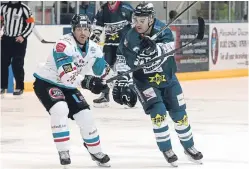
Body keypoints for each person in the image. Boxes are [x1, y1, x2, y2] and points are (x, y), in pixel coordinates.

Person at [113, 3, 203, 167]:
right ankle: (166, 149)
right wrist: (122, 81)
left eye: (142, 20)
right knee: (159, 113)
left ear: (151, 19)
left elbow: (169, 47)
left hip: (168, 78)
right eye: (135, 19)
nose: (137, 23)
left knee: (180, 115)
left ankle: (189, 146)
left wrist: (154, 49)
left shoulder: (163, 30)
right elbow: (121, 58)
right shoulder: (129, 37)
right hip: (145, 82)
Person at [33, 14, 110, 168]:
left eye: (86, 29)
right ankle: (63, 151)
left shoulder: (94, 48)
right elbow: (66, 75)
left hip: (69, 86)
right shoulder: (63, 44)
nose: (83, 32)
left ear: (90, 30)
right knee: (60, 108)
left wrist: (119, 84)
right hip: (47, 82)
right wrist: (87, 81)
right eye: (79, 29)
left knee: (86, 116)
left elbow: (103, 70)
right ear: (73, 30)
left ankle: (95, 151)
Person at [90, 1, 134, 107]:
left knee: (124, 68)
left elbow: (135, 25)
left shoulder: (126, 7)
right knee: (105, 69)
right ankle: (105, 95)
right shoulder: (103, 10)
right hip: (109, 45)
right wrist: (95, 36)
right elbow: (98, 26)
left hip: (124, 45)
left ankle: (129, 95)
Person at [0, 1, 35, 96]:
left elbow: (31, 23)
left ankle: (19, 87)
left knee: (17, 64)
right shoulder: (3, 7)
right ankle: (3, 87)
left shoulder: (25, 8)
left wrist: (23, 36)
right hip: (6, 39)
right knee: (3, 64)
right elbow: (1, 20)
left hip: (18, 40)